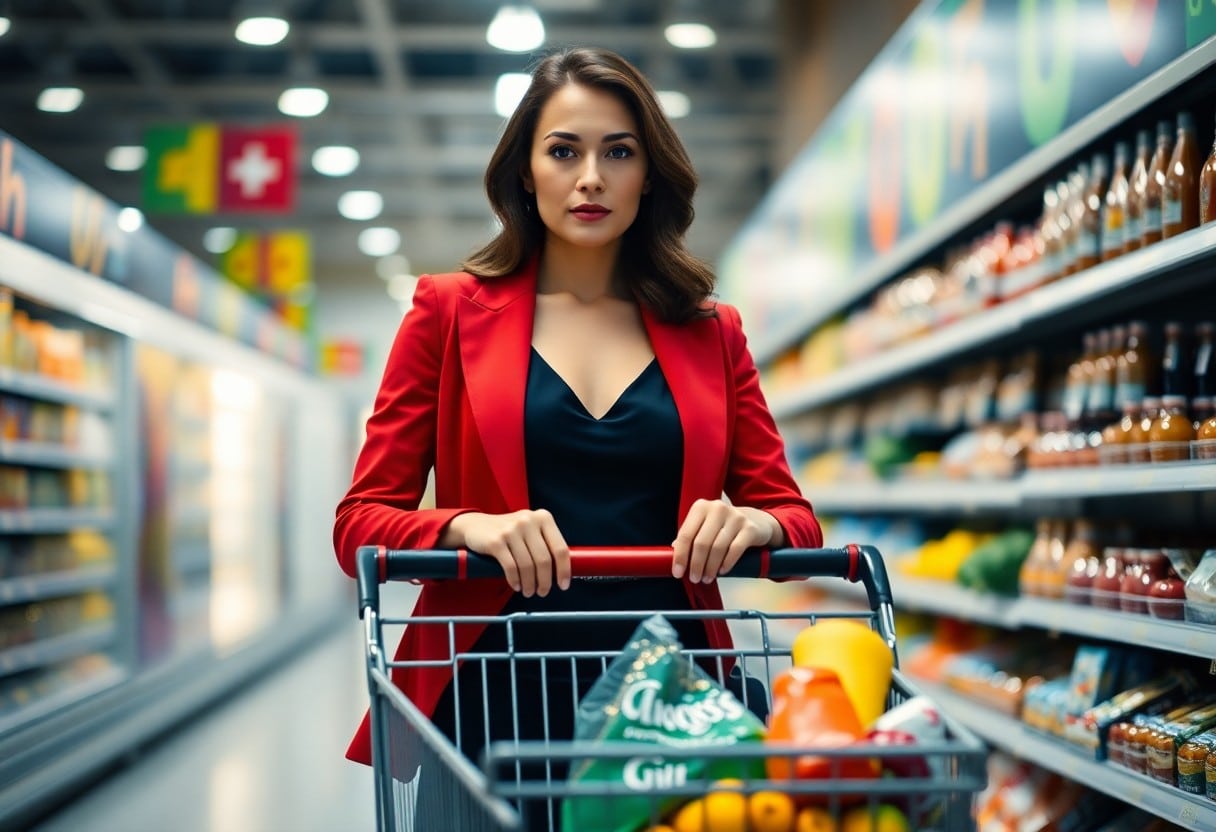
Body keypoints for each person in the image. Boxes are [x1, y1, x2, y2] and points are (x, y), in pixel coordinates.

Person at [333, 46, 821, 828]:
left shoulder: (711, 332)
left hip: (670, 695)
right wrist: (465, 525)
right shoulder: (448, 313)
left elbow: (793, 514)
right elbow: (358, 522)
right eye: (564, 150)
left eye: (618, 152)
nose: (590, 176)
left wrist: (755, 520)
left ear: (648, 175)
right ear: (526, 172)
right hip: (492, 689)